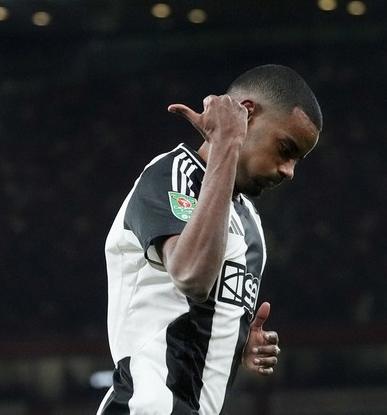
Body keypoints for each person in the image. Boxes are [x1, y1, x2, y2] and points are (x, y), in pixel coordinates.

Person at [96, 64, 323, 414]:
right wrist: (226, 143)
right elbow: (191, 276)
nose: (289, 171)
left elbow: (193, 315)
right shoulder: (174, 174)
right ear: (245, 115)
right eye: (284, 148)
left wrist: (235, 343)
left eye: (297, 160)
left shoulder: (250, 223)